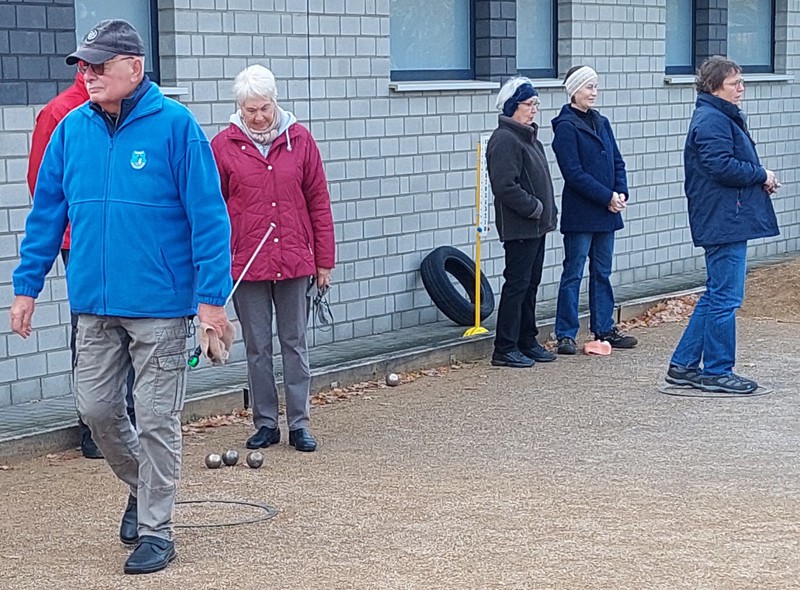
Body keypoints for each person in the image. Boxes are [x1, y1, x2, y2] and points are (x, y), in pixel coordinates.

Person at [10, 19, 232, 575]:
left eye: (99, 65)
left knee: (156, 418)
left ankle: (157, 531)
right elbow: (46, 215)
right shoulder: (70, 130)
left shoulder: (176, 127)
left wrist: (211, 302)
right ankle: (144, 485)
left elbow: (210, 219)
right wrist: (26, 287)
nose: (88, 75)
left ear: (134, 67)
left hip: (161, 305)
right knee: (96, 410)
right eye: (84, 66)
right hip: (94, 303)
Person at [211, 65, 335, 453]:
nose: (259, 117)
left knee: (294, 343)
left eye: (264, 108)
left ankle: (300, 423)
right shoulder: (222, 146)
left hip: (295, 258)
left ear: (275, 102)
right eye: (250, 110)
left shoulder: (300, 140)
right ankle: (266, 422)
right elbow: (212, 208)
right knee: (257, 347)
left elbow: (318, 201)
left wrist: (324, 261)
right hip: (247, 262)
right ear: (239, 108)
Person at [27, 71, 135, 459]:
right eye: (91, 66)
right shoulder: (59, 112)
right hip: (80, 241)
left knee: (135, 322)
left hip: (125, 238)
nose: (94, 74)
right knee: (90, 330)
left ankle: (129, 419)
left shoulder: (132, 107)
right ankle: (92, 427)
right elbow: (42, 185)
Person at [666, 56, 779, 394]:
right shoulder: (712, 120)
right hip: (723, 219)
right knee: (725, 297)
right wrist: (761, 174)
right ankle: (717, 370)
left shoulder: (718, 116)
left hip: (726, 217)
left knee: (716, 293)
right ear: (715, 87)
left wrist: (758, 178)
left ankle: (683, 365)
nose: (741, 88)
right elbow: (721, 166)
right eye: (735, 83)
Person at [551, 65, 638, 355]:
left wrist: (621, 192)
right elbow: (573, 173)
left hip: (607, 211)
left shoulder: (602, 122)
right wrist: (607, 197)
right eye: (589, 87)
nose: (594, 92)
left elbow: (617, 161)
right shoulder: (565, 127)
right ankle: (565, 334)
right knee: (573, 273)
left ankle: (604, 328)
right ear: (574, 90)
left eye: (596, 86)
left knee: (602, 272)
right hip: (581, 212)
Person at [486, 77, 558, 368]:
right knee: (517, 285)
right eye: (529, 104)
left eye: (536, 104)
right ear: (513, 106)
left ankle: (527, 339)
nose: (534, 109)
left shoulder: (529, 138)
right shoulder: (505, 139)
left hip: (536, 226)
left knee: (530, 285)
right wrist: (535, 208)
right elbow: (504, 186)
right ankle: (505, 346)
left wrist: (547, 212)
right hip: (521, 226)